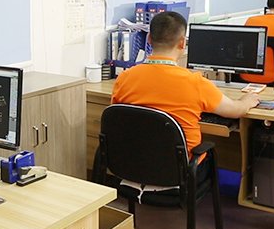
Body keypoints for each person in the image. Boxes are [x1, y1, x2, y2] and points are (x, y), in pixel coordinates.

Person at [111, 11, 259, 168]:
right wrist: (247, 101)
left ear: (148, 39)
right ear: (182, 43)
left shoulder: (124, 78)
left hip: (132, 165)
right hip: (178, 170)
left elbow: (116, 117)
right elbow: (235, 111)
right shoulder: (195, 82)